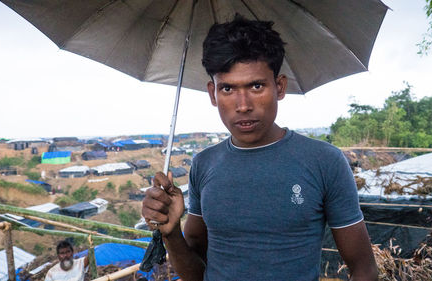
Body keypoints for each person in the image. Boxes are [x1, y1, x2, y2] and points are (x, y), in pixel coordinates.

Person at [142, 15, 378, 281]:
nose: (243, 105)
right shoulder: (204, 164)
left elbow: (364, 269)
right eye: (228, 88)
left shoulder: (324, 161)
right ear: (212, 93)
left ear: (279, 87)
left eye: (256, 86)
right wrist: (171, 233)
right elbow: (196, 273)